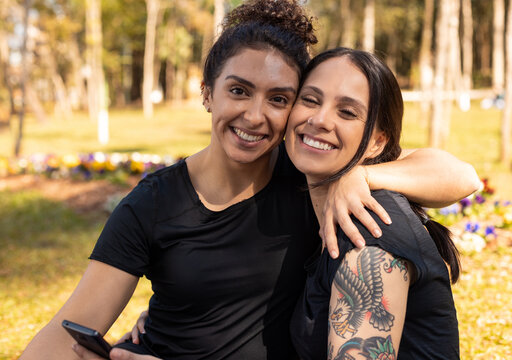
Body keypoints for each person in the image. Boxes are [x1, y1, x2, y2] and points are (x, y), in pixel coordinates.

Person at [21, 1, 478, 359]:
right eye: (238, 90)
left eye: (279, 98)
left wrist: (359, 176)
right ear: (207, 93)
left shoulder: (311, 181)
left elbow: (459, 175)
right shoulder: (153, 204)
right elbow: (71, 327)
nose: (255, 116)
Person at [287, 48, 461, 359]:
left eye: (347, 112)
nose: (320, 119)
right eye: (311, 100)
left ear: (377, 142)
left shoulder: (369, 232)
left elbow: (464, 176)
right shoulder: (306, 191)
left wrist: (362, 175)